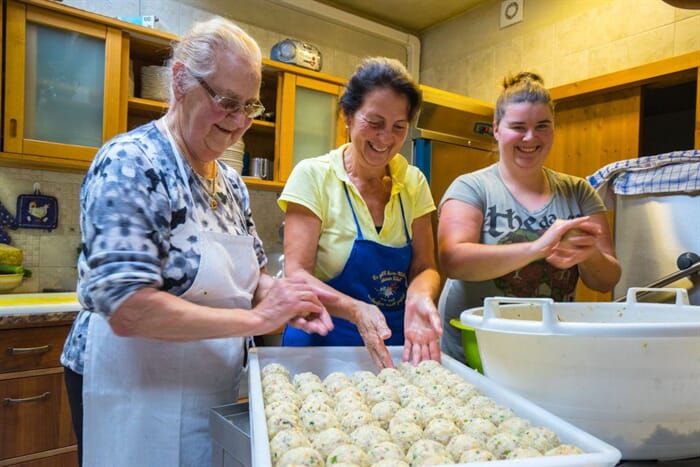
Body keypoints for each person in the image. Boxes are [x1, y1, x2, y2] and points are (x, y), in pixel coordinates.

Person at [59, 18, 333, 467]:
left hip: (207, 382)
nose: (240, 123)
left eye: (250, 107)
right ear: (180, 80)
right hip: (134, 384)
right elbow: (130, 309)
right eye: (227, 103)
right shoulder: (132, 162)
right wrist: (257, 320)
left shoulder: (230, 183)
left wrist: (283, 298)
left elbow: (254, 275)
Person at [437, 72, 622, 364]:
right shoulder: (472, 187)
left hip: (547, 349)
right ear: (496, 130)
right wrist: (538, 247)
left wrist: (588, 255)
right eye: (518, 127)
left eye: (542, 126)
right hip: (477, 348)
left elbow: (607, 279)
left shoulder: (578, 191)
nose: (530, 138)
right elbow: (453, 260)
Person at [278, 57, 443, 369]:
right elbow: (297, 274)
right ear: (348, 116)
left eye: (399, 127)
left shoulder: (414, 182)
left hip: (391, 350)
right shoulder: (314, 176)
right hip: (321, 347)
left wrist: (420, 295)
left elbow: (425, 266)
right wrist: (355, 309)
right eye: (375, 122)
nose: (386, 138)